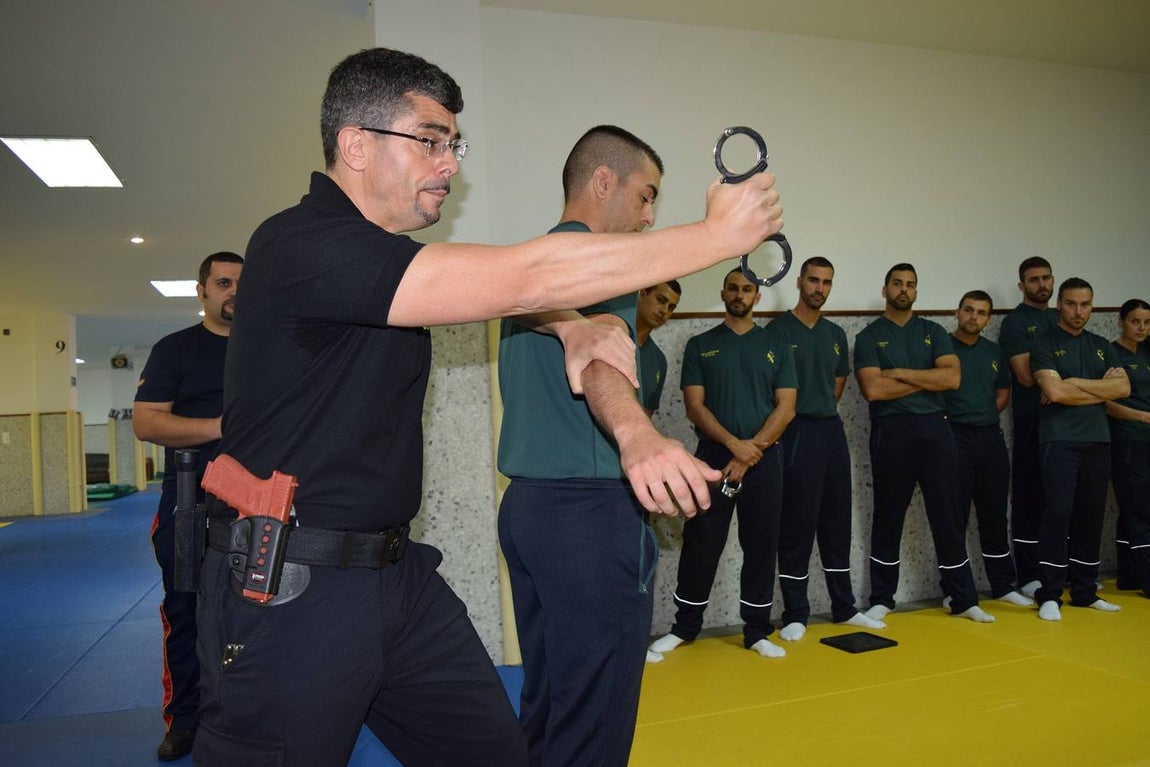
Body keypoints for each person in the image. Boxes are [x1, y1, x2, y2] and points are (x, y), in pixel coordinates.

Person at [196, 49, 783, 767]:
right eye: (431, 141)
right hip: (293, 584)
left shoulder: (383, 263)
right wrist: (716, 238)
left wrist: (574, 328)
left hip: (395, 576)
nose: (450, 163)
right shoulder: (298, 245)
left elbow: (522, 295)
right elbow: (520, 279)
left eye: (454, 144)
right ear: (355, 143)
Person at [498, 126, 714, 766]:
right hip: (589, 518)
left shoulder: (523, 270)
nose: (650, 218)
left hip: (529, 511)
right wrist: (637, 433)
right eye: (646, 197)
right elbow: (600, 361)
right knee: (594, 718)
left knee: (550, 698)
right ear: (602, 182)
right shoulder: (606, 263)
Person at [649, 267, 797, 660]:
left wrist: (751, 452)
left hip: (763, 459)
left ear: (757, 297)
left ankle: (756, 631)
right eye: (733, 288)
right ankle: (685, 628)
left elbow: (787, 406)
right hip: (714, 460)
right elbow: (695, 407)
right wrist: (735, 447)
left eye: (747, 289)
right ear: (724, 293)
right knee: (702, 542)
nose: (740, 294)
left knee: (762, 544)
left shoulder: (777, 344)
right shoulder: (701, 344)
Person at [133, 250, 243, 761]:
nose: (234, 292)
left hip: (256, 499)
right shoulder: (175, 349)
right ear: (202, 291)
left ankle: (249, 713)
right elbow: (148, 422)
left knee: (258, 613)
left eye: (243, 283)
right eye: (223, 283)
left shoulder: (266, 349)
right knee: (186, 610)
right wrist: (220, 427)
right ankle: (185, 720)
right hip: (188, 499)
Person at [854, 264, 994, 624]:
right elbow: (873, 389)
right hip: (891, 431)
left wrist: (899, 372)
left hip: (935, 430)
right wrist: (926, 380)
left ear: (917, 292)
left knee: (948, 515)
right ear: (885, 289)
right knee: (888, 515)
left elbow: (951, 378)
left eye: (910, 285)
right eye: (897, 284)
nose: (904, 290)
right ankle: (883, 598)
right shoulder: (869, 337)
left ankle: (962, 598)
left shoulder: (933, 331)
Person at [764, 257, 884, 642]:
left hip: (831, 430)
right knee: (797, 526)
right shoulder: (777, 331)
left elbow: (836, 386)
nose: (819, 288)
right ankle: (795, 613)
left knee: (837, 522)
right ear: (799, 282)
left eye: (826, 282)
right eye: (813, 280)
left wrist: (820, 413)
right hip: (795, 432)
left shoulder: (835, 333)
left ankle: (844, 607)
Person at [1030, 278, 1129, 620]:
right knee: (1058, 513)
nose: (1078, 311)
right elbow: (1054, 394)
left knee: (1091, 515)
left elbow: (1123, 388)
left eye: (1085, 304)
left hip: (1098, 439)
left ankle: (1086, 591)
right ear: (1059, 304)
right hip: (1059, 440)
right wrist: (1100, 389)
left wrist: (1073, 383)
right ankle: (1050, 593)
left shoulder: (1102, 344)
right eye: (1071, 304)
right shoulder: (1044, 343)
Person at [944, 290, 1033, 607]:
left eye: (981, 313)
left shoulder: (994, 352)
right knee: (954, 517)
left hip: (989, 438)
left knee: (995, 513)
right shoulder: (943, 348)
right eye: (968, 310)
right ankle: (954, 590)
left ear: (988, 318)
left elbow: (1003, 392)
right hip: (953, 436)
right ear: (957, 312)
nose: (974, 317)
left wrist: (982, 415)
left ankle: (1002, 585)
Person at [999, 257, 1058, 597]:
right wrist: (1060, 385)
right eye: (1033, 280)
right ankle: (1029, 573)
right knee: (1029, 496)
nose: (1041, 285)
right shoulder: (1016, 324)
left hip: (1066, 420)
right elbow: (1024, 376)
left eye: (1046, 278)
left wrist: (1063, 387)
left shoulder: (1060, 317)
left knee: (1061, 499)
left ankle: (1059, 569)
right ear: (1022, 286)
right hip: (1031, 420)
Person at [1106, 299, 1150, 597]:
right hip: (1128, 437)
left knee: (1134, 507)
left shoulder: (1148, 351)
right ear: (1121, 321)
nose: (1141, 328)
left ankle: (1128, 574)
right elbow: (1106, 402)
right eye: (1135, 321)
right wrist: (1142, 416)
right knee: (1139, 507)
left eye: (1147, 322)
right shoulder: (1111, 352)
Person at [636, 280, 681, 415]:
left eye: (671, 307)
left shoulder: (659, 360)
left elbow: (647, 414)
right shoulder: (612, 338)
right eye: (661, 300)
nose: (664, 311)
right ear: (643, 294)